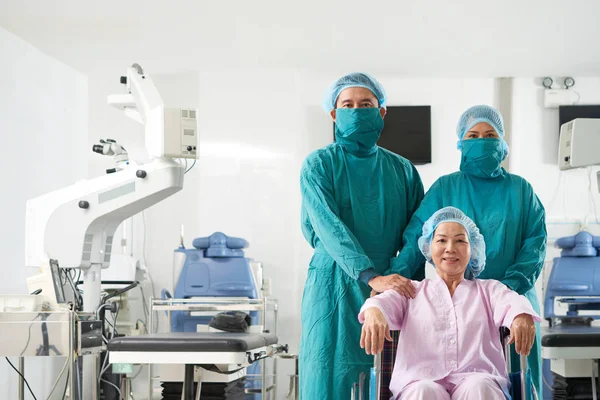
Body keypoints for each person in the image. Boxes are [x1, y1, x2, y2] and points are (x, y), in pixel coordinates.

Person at [384, 104, 547, 395]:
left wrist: (505, 290)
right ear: (461, 142)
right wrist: (394, 281)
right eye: (473, 135)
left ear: (502, 141)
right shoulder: (445, 188)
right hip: (449, 298)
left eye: (489, 134)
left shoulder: (521, 190)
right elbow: (416, 239)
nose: (482, 140)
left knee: (511, 381)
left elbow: (535, 245)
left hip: (512, 300)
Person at [299, 72, 424, 399]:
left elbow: (419, 234)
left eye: (365, 104)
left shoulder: (403, 170)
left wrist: (398, 278)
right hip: (334, 284)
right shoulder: (319, 165)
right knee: (330, 376)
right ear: (334, 113)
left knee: (385, 380)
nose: (356, 110)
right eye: (348, 104)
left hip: (388, 285)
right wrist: (370, 276)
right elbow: (328, 227)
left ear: (381, 112)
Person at [360, 207, 540, 400]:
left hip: (480, 380)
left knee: (478, 386)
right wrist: (373, 311)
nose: (450, 248)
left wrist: (521, 315)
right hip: (418, 382)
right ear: (429, 247)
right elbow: (382, 303)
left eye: (460, 240)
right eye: (441, 240)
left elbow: (512, 301)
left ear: (473, 249)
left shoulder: (489, 291)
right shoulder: (411, 291)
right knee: (424, 391)